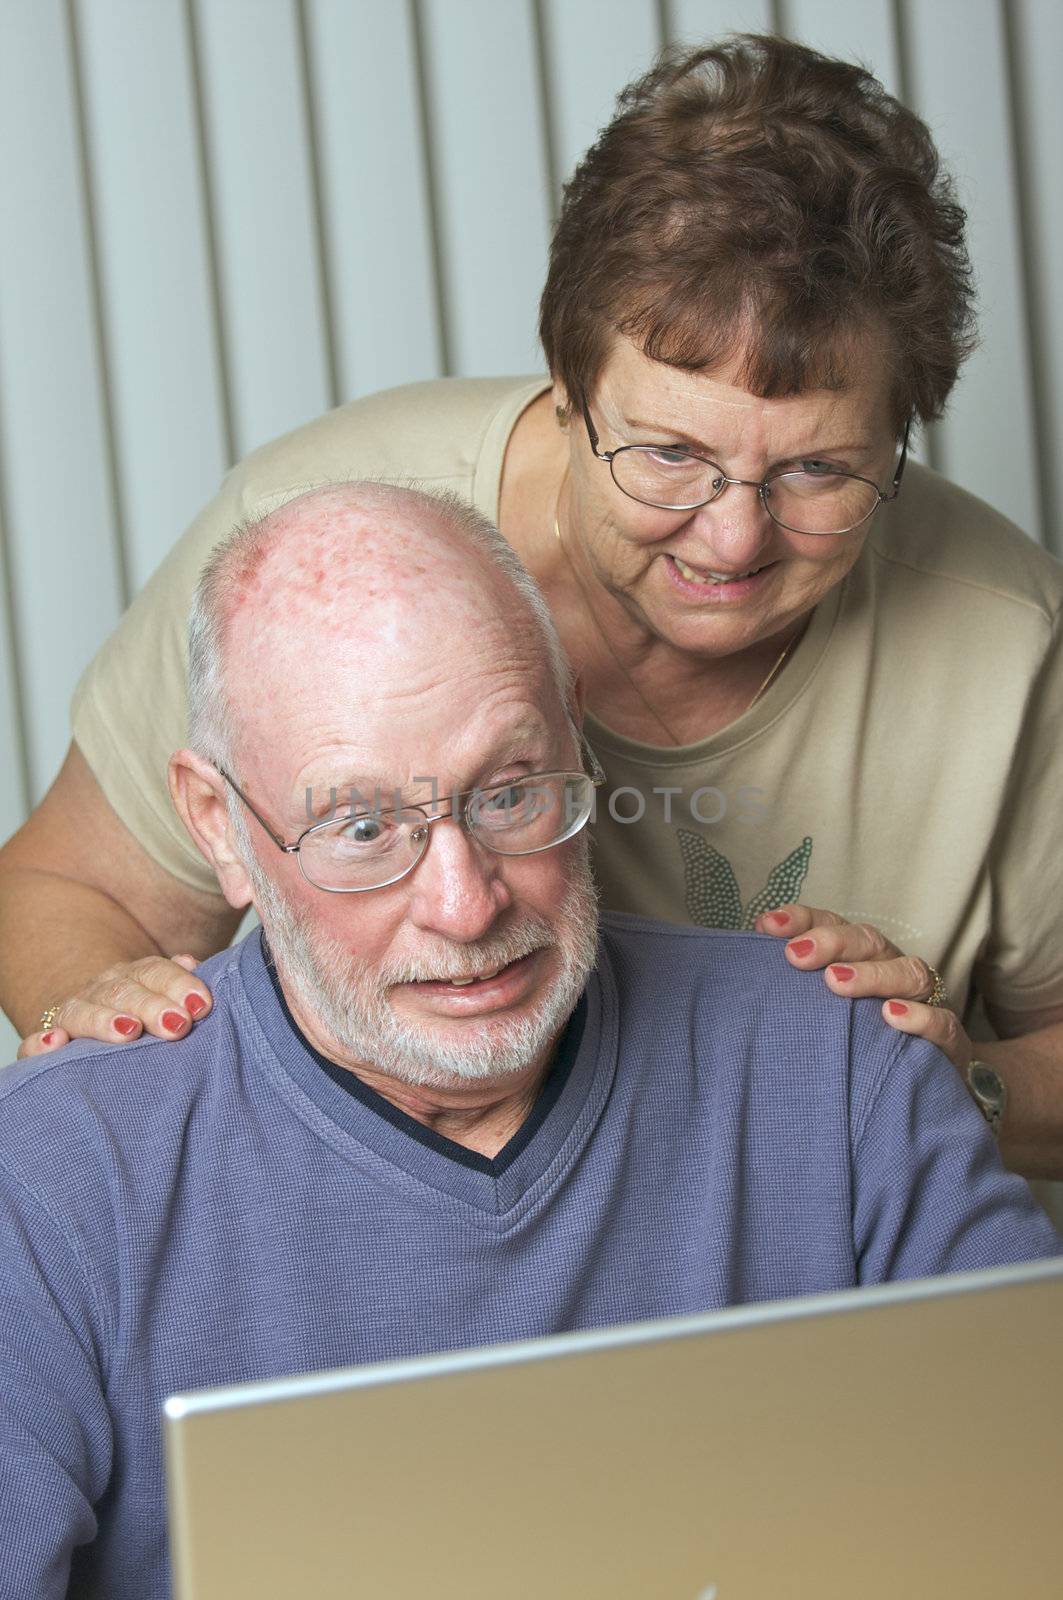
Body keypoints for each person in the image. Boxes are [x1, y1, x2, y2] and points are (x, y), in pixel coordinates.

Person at [3, 35, 1063, 1180]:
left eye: (818, 470)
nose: (733, 535)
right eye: (666, 454)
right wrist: (166, 1079)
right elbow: (66, 887)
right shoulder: (312, 549)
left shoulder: (1003, 639)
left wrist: (955, 1090)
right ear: (564, 391)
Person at [0, 482, 1056, 1597]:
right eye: (362, 828)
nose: (464, 908)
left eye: (510, 793)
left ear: (577, 731)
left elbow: (1030, 1525)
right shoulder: (55, 1178)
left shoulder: (849, 1072)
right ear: (219, 826)